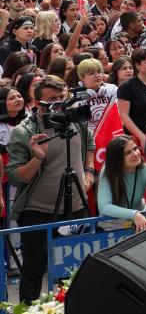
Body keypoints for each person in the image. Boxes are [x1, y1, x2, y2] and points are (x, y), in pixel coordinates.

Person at [6, 76, 94, 302]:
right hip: (38, 214)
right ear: (38, 104)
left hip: (76, 208)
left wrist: (89, 171)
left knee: (78, 271)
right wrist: (37, 157)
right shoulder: (24, 132)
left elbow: (90, 143)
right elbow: (16, 177)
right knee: (33, 272)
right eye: (53, 100)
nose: (60, 104)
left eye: (62, 98)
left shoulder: (75, 121)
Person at [97, 134, 146, 233]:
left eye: (135, 148)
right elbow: (104, 207)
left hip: (142, 222)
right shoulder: (108, 170)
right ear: (117, 158)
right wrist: (134, 214)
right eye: (128, 153)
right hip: (113, 225)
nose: (135, 153)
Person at [117, 46, 146, 148]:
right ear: (137, 65)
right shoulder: (127, 87)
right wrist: (141, 137)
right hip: (137, 139)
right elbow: (124, 116)